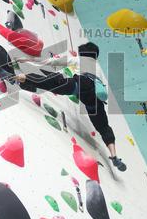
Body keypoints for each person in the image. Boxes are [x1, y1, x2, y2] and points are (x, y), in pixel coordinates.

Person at [13, 41, 126, 171]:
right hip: (95, 99)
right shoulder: (98, 67)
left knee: (55, 82)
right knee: (104, 127)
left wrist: (25, 59)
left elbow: (48, 62)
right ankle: (114, 155)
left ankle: (21, 77)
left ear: (83, 52)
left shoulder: (79, 59)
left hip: (82, 85)